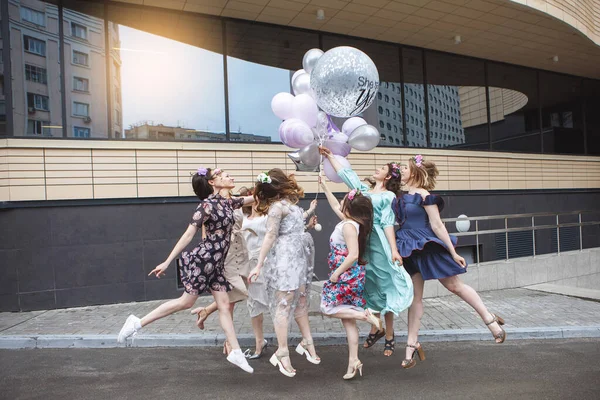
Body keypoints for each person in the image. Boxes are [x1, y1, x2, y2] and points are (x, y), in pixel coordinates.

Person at [116, 167, 254, 373]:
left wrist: (274, 185)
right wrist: (167, 261)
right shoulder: (205, 207)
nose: (229, 177)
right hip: (204, 260)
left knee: (224, 306)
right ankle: (137, 323)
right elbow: (188, 235)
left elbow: (254, 198)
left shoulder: (228, 202)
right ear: (212, 183)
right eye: (223, 176)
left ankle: (235, 351)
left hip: (216, 264)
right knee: (185, 302)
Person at [394, 155, 506, 369]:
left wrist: (453, 252)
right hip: (407, 247)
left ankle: (489, 319)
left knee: (454, 286)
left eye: (405, 168)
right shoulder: (398, 197)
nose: (402, 171)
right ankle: (411, 345)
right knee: (414, 297)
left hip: (427, 245)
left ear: (415, 172)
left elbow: (437, 225)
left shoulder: (425, 196)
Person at [319, 146, 413, 357]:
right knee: (369, 285)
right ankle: (375, 328)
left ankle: (389, 334)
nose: (377, 169)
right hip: (362, 240)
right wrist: (330, 156)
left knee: (385, 283)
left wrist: (394, 251)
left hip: (379, 242)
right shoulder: (363, 190)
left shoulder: (388, 195)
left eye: (381, 168)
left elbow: (388, 223)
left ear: (388, 176)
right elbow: (346, 175)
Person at [247, 169, 318, 377]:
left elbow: (292, 227)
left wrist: (310, 213)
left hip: (297, 259)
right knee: (284, 304)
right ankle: (282, 352)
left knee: (301, 299)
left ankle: (307, 342)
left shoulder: (289, 206)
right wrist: (259, 264)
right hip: (284, 261)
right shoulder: (277, 208)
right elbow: (270, 236)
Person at [319, 177, 382, 380]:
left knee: (326, 307)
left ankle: (366, 316)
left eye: (344, 199)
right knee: (347, 320)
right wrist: (325, 186)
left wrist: (336, 274)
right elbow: (335, 205)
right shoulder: (350, 222)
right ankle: (353, 361)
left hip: (346, 276)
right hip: (351, 276)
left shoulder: (347, 226)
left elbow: (353, 254)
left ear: (349, 207)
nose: (342, 201)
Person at [189, 187, 252, 355]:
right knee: (230, 295)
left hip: (239, 249)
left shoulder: (232, 201)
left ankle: (207, 312)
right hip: (225, 252)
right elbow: (206, 234)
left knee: (232, 295)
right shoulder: (212, 204)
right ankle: (230, 344)